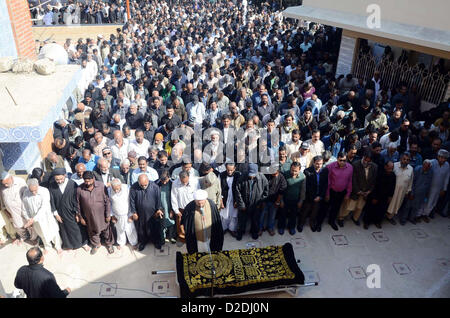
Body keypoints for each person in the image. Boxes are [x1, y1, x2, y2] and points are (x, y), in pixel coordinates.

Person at [49, 168, 89, 251]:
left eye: (61, 179)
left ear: (65, 175)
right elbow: (51, 200)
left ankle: (83, 243)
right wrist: (56, 214)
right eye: (57, 179)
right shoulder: (52, 186)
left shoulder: (72, 184)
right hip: (60, 213)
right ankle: (69, 245)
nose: (59, 181)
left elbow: (77, 199)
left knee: (77, 228)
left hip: (72, 212)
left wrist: (78, 213)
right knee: (64, 230)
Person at [76, 171, 114, 255]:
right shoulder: (79, 189)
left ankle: (109, 244)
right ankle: (96, 244)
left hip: (102, 215)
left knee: (106, 230)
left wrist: (108, 214)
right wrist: (81, 217)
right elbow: (78, 205)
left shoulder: (101, 186)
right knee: (92, 231)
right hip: (89, 216)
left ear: (93, 179)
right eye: (86, 181)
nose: (88, 183)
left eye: (89, 180)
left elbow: (107, 201)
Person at [22, 178, 63, 254]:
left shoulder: (44, 191)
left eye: (35, 190)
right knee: (42, 233)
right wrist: (28, 218)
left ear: (38, 185)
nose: (34, 193)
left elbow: (44, 207)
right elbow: (24, 207)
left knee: (53, 232)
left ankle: (58, 247)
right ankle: (47, 246)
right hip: (34, 219)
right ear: (28, 188)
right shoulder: (26, 192)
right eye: (32, 191)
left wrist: (33, 220)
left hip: (46, 217)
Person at [337, 151, 377, 227]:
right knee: (348, 207)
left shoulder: (374, 167)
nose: (366, 162)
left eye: (369, 161)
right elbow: (353, 180)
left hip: (365, 193)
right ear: (363, 157)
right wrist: (358, 191)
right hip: (355, 192)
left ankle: (355, 218)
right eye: (365, 160)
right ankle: (341, 218)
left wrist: (369, 191)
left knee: (359, 207)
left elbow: (373, 181)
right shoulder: (355, 165)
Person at [181, 189, 224, 254]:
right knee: (198, 253)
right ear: (195, 200)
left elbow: (217, 219)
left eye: (202, 202)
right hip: (196, 238)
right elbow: (185, 220)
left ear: (205, 199)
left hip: (210, 236)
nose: (200, 205)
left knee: (211, 250)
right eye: (198, 203)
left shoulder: (211, 205)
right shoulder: (189, 207)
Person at [129, 174, 164, 251]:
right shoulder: (134, 187)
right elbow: (132, 201)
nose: (144, 187)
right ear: (138, 182)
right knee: (141, 229)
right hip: (140, 213)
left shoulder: (155, 187)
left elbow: (158, 199)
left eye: (145, 185)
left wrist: (158, 209)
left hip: (153, 213)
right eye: (142, 185)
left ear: (148, 181)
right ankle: (143, 242)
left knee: (154, 228)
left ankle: (156, 242)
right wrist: (134, 212)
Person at [234, 163, 269, 240]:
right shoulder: (242, 177)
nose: (251, 176)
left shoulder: (262, 178)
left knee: (255, 220)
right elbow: (238, 191)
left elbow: (266, 192)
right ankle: (240, 232)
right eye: (250, 174)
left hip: (256, 205)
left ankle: (254, 232)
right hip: (244, 204)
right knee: (242, 220)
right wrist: (241, 204)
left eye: (253, 174)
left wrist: (260, 203)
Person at [0, 173, 34, 244]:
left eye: (6, 183)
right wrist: (5, 210)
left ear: (11, 178)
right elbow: (2, 199)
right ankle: (24, 238)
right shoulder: (2, 186)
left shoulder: (20, 182)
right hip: (12, 212)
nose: (5, 185)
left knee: (29, 226)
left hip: (23, 210)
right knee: (18, 226)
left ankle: (33, 238)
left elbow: (27, 195)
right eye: (4, 184)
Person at [363, 161, 396, 229]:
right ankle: (367, 222)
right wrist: (375, 197)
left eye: (391, 168)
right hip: (375, 195)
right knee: (370, 209)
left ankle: (377, 222)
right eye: (389, 168)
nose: (390, 170)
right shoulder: (379, 174)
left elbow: (393, 186)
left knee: (381, 210)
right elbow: (374, 186)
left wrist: (390, 196)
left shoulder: (393, 175)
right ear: (385, 167)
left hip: (385, 197)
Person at [325, 152, 353, 231]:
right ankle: (319, 223)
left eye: (344, 160)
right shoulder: (330, 166)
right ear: (337, 159)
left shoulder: (350, 167)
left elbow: (350, 181)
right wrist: (327, 194)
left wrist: (348, 194)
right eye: (340, 160)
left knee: (336, 208)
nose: (342, 162)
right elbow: (328, 181)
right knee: (325, 207)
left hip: (341, 192)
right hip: (331, 191)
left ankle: (331, 221)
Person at [399, 160, 433, 225]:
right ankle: (403, 219)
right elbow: (412, 182)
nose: (425, 168)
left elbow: (429, 183)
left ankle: (411, 218)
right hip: (414, 192)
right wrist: (411, 193)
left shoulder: (430, 172)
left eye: (427, 167)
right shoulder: (417, 169)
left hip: (422, 193)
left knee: (416, 207)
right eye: (425, 166)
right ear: (423, 165)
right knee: (407, 206)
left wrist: (426, 194)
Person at [171, 170, 199, 241]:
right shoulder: (175, 183)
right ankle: (182, 239)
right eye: (182, 182)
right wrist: (176, 210)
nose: (184, 183)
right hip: (181, 209)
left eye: (186, 182)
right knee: (180, 225)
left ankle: (192, 238)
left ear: (188, 177)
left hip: (192, 208)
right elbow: (173, 197)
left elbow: (197, 194)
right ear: (179, 178)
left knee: (192, 224)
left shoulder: (195, 182)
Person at [302, 156, 328, 232]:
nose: (319, 165)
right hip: (309, 197)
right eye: (317, 164)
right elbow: (307, 186)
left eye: (320, 164)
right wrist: (313, 197)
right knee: (305, 211)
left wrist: (320, 196)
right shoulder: (307, 171)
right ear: (313, 163)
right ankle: (301, 223)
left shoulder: (325, 171)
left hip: (318, 197)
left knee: (314, 212)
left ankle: (311, 223)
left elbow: (325, 185)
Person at [386, 153, 414, 225]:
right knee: (388, 204)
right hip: (392, 191)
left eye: (408, 160)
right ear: (401, 159)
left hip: (402, 192)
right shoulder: (394, 165)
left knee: (397, 205)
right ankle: (383, 216)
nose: (405, 161)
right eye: (404, 159)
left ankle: (390, 217)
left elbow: (410, 181)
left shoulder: (411, 169)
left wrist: (408, 191)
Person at [110, 178, 138, 249]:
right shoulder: (109, 190)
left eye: (117, 189)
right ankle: (121, 242)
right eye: (114, 189)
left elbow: (131, 201)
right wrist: (112, 215)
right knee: (119, 230)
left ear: (120, 185)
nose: (116, 191)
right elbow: (109, 204)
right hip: (117, 215)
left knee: (130, 229)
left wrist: (131, 214)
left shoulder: (126, 188)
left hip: (127, 214)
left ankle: (133, 242)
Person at [260, 165, 287, 236]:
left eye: (274, 173)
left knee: (272, 216)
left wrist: (278, 202)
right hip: (265, 200)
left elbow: (282, 191)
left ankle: (270, 228)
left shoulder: (282, 178)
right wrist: (262, 201)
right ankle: (260, 228)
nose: (272, 174)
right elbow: (261, 189)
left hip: (275, 201)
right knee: (262, 215)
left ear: (278, 171)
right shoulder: (265, 175)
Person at [219, 163, 241, 236]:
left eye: (231, 170)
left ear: (234, 168)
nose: (230, 172)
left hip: (234, 198)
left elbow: (240, 189)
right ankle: (224, 228)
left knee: (234, 215)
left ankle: (232, 229)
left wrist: (237, 201)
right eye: (228, 170)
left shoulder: (238, 175)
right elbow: (219, 189)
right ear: (226, 168)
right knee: (224, 214)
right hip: (225, 198)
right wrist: (221, 201)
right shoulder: (221, 175)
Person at [157, 170, 176, 244]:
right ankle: (163, 238)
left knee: (171, 221)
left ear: (169, 177)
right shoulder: (157, 184)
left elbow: (174, 197)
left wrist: (172, 209)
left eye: (165, 181)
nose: (164, 183)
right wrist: (159, 208)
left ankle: (171, 237)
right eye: (162, 181)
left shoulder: (173, 183)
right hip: (161, 207)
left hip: (170, 206)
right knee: (162, 222)